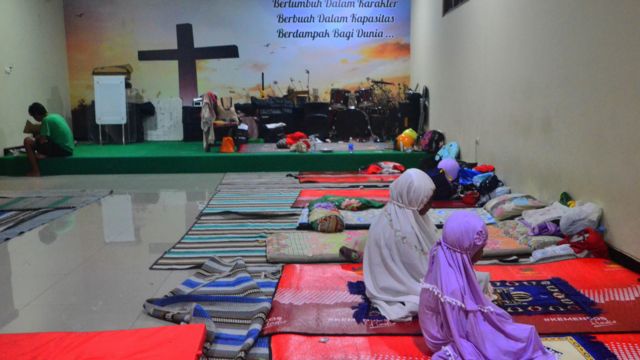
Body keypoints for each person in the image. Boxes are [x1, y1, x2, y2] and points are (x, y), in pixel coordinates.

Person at [419, 211, 554, 359]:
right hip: (446, 337)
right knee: (523, 336)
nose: (482, 253)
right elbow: (463, 331)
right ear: (466, 249)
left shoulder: (443, 256)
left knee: (502, 321)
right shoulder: (453, 288)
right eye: (480, 248)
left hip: (444, 329)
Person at [363, 168, 439, 321]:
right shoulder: (404, 230)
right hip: (392, 284)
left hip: (385, 278)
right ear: (412, 197)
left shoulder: (398, 214)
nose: (430, 205)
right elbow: (419, 269)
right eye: (427, 200)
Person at [23, 103, 74, 176]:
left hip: (62, 150)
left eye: (33, 116)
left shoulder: (45, 120)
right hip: (69, 149)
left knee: (27, 141)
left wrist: (36, 137)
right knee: (37, 140)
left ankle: (36, 171)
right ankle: (45, 154)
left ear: (37, 114)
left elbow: (42, 140)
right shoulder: (55, 116)